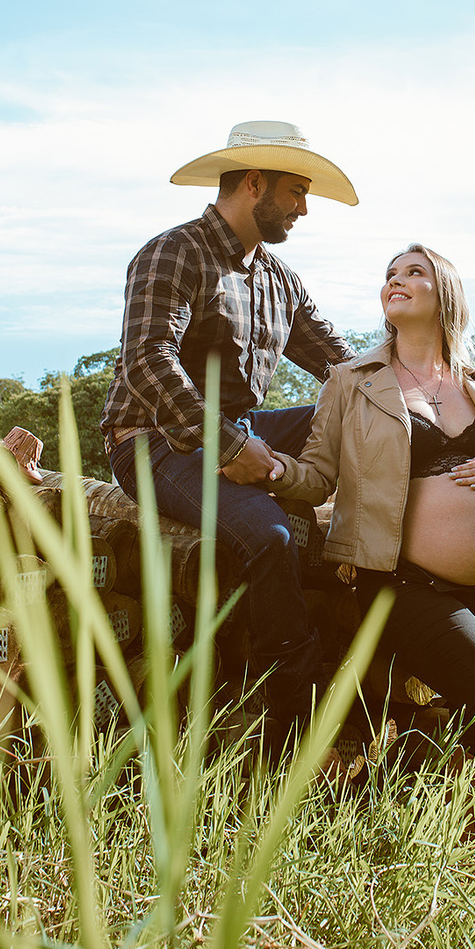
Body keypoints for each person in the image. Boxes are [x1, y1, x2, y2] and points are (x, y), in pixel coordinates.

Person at [100, 119, 358, 754]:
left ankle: (376, 557)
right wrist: (228, 447)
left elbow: (343, 367)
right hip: (154, 440)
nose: (303, 208)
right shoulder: (173, 252)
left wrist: (430, 386)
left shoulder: (279, 278)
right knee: (270, 538)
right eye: (295, 192)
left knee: (360, 410)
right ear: (253, 184)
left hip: (242, 431)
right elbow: (148, 359)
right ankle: (293, 735)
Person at [265, 242, 475, 836]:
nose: (397, 280)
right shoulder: (352, 381)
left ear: (446, 294)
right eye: (390, 274)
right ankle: (434, 833)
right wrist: (270, 470)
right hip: (405, 584)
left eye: (415, 272)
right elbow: (315, 477)